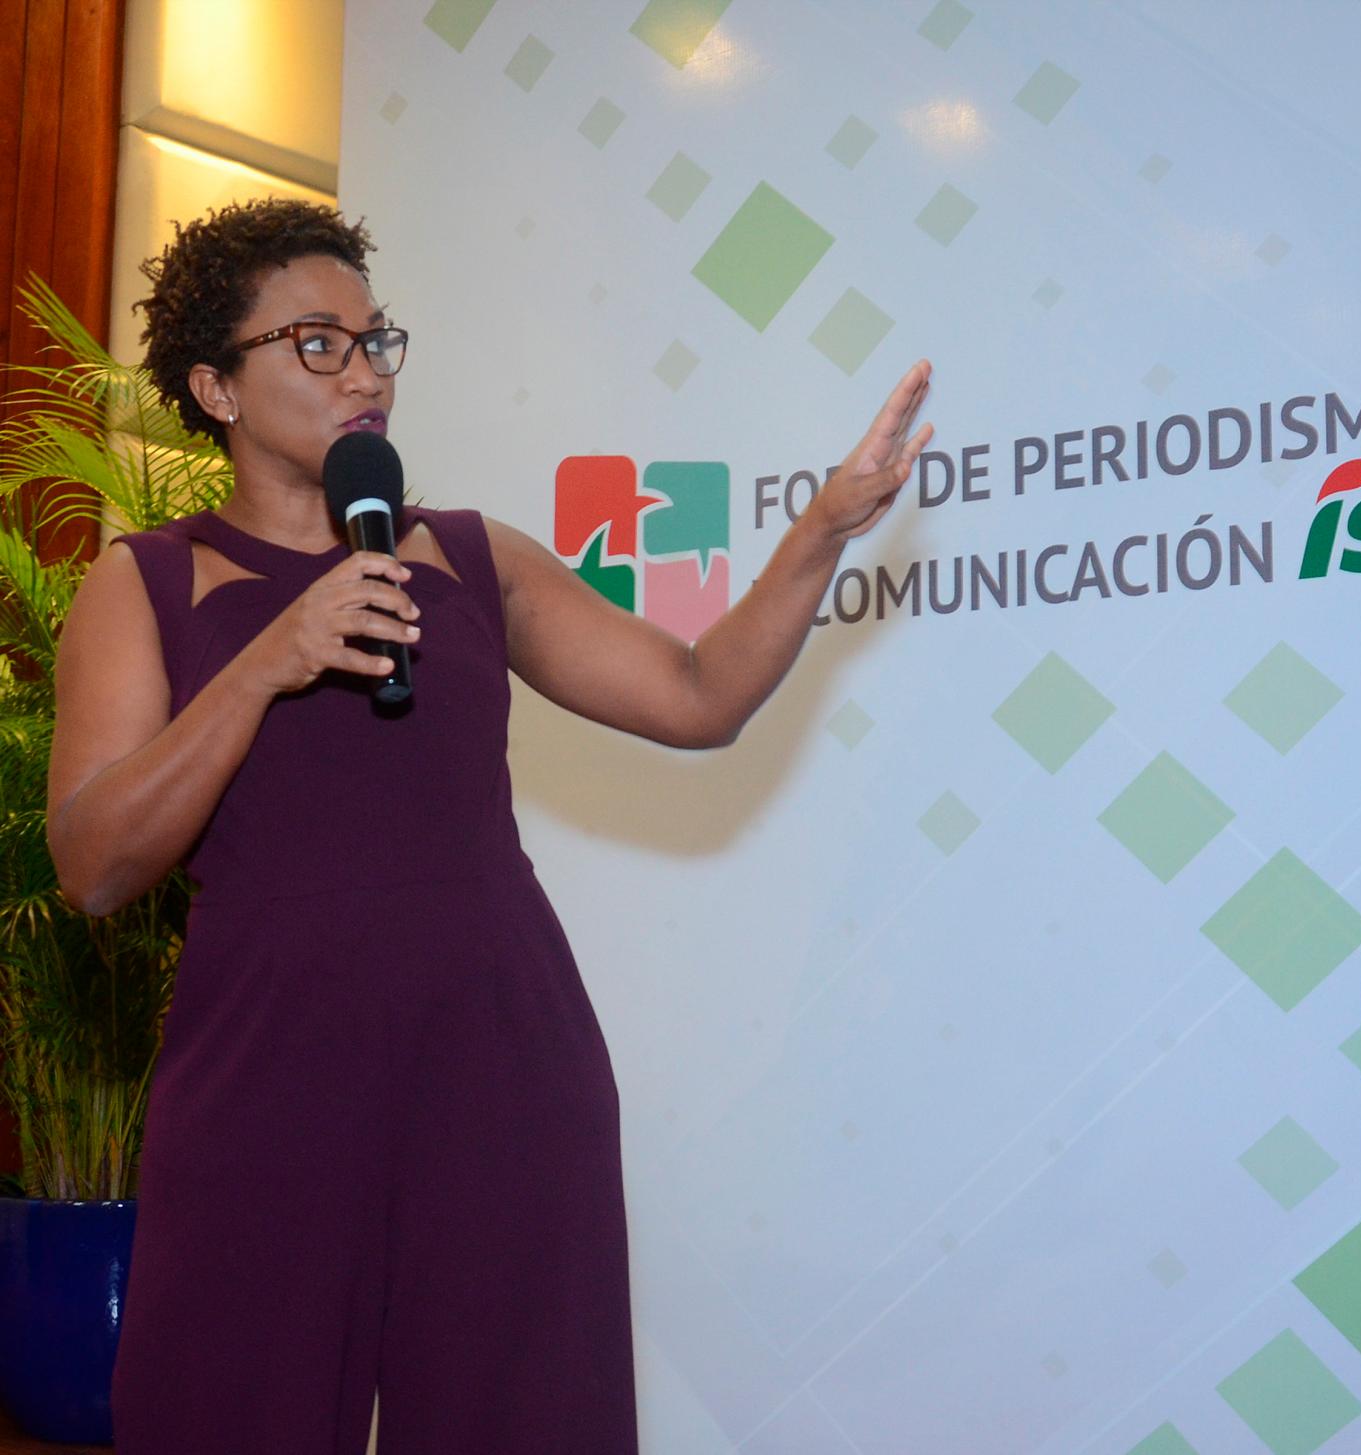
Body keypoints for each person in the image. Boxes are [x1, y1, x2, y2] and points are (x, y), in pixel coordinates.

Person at [45, 198, 932, 1453]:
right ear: (216, 387)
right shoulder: (145, 583)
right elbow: (92, 864)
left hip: (501, 1063)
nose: (364, 375)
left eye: (375, 341)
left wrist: (819, 531)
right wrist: (264, 665)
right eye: (317, 344)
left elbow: (697, 696)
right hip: (267, 1080)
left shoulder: (471, 558)